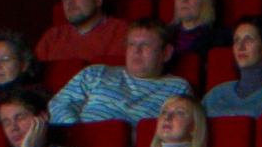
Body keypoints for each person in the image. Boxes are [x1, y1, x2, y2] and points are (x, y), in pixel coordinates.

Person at [45, 22, 196, 130]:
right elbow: (58, 104)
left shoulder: (177, 87)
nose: (136, 51)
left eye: (145, 45)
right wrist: (80, 134)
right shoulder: (96, 72)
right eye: (131, 45)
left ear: (166, 53)